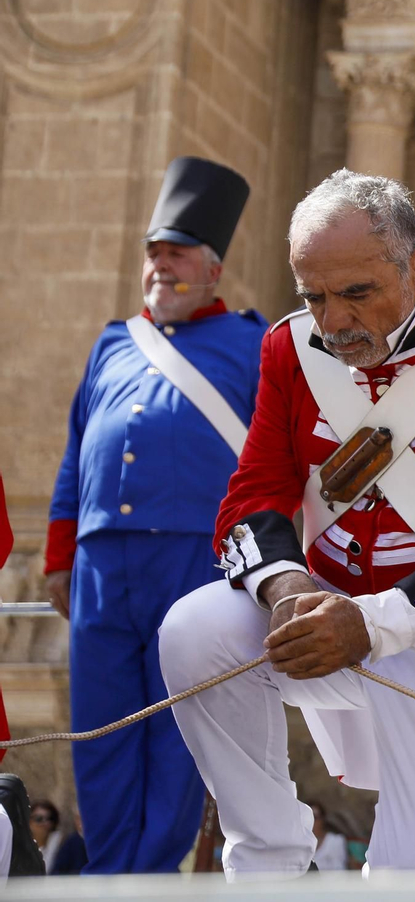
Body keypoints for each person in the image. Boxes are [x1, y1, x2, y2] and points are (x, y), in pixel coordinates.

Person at [157, 169, 415, 878]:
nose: (334, 322)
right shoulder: (290, 350)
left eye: (356, 293)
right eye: (314, 297)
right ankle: (269, 862)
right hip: (330, 615)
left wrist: (370, 625)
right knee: (194, 635)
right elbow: (252, 495)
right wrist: (286, 590)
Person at [45, 158, 264, 873]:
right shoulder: (113, 344)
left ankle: (147, 880)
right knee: (101, 733)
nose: (160, 268)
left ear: (213, 269)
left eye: (177, 256)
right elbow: (77, 456)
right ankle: (110, 873)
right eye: (154, 254)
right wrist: (58, 558)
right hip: (101, 565)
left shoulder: (252, 345)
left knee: (178, 736)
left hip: (194, 562)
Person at [308, 803, 346, 873]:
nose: (312, 821)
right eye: (309, 817)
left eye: (315, 817)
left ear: (323, 819)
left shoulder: (335, 841)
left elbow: (339, 872)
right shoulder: (299, 843)